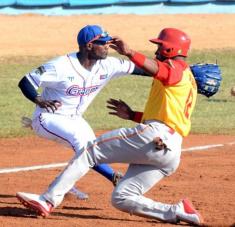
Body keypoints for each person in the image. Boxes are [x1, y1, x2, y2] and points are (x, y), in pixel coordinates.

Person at [16, 28, 204, 226]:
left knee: (89, 150)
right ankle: (178, 211)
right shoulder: (185, 77)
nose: (156, 51)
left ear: (169, 49)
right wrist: (132, 115)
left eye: (159, 46)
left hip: (155, 135)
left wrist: (130, 52)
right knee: (122, 197)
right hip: (170, 151)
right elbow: (167, 110)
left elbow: (160, 71)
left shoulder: (175, 70)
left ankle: (47, 201)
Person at [17, 24, 146, 200]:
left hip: (76, 120)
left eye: (108, 42)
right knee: (84, 146)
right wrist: (39, 100)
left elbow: (143, 70)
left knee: (94, 149)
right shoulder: (60, 66)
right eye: (103, 43)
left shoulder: (108, 65)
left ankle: (63, 183)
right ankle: (115, 178)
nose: (108, 46)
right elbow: (26, 81)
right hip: (48, 118)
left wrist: (172, 72)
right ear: (89, 46)